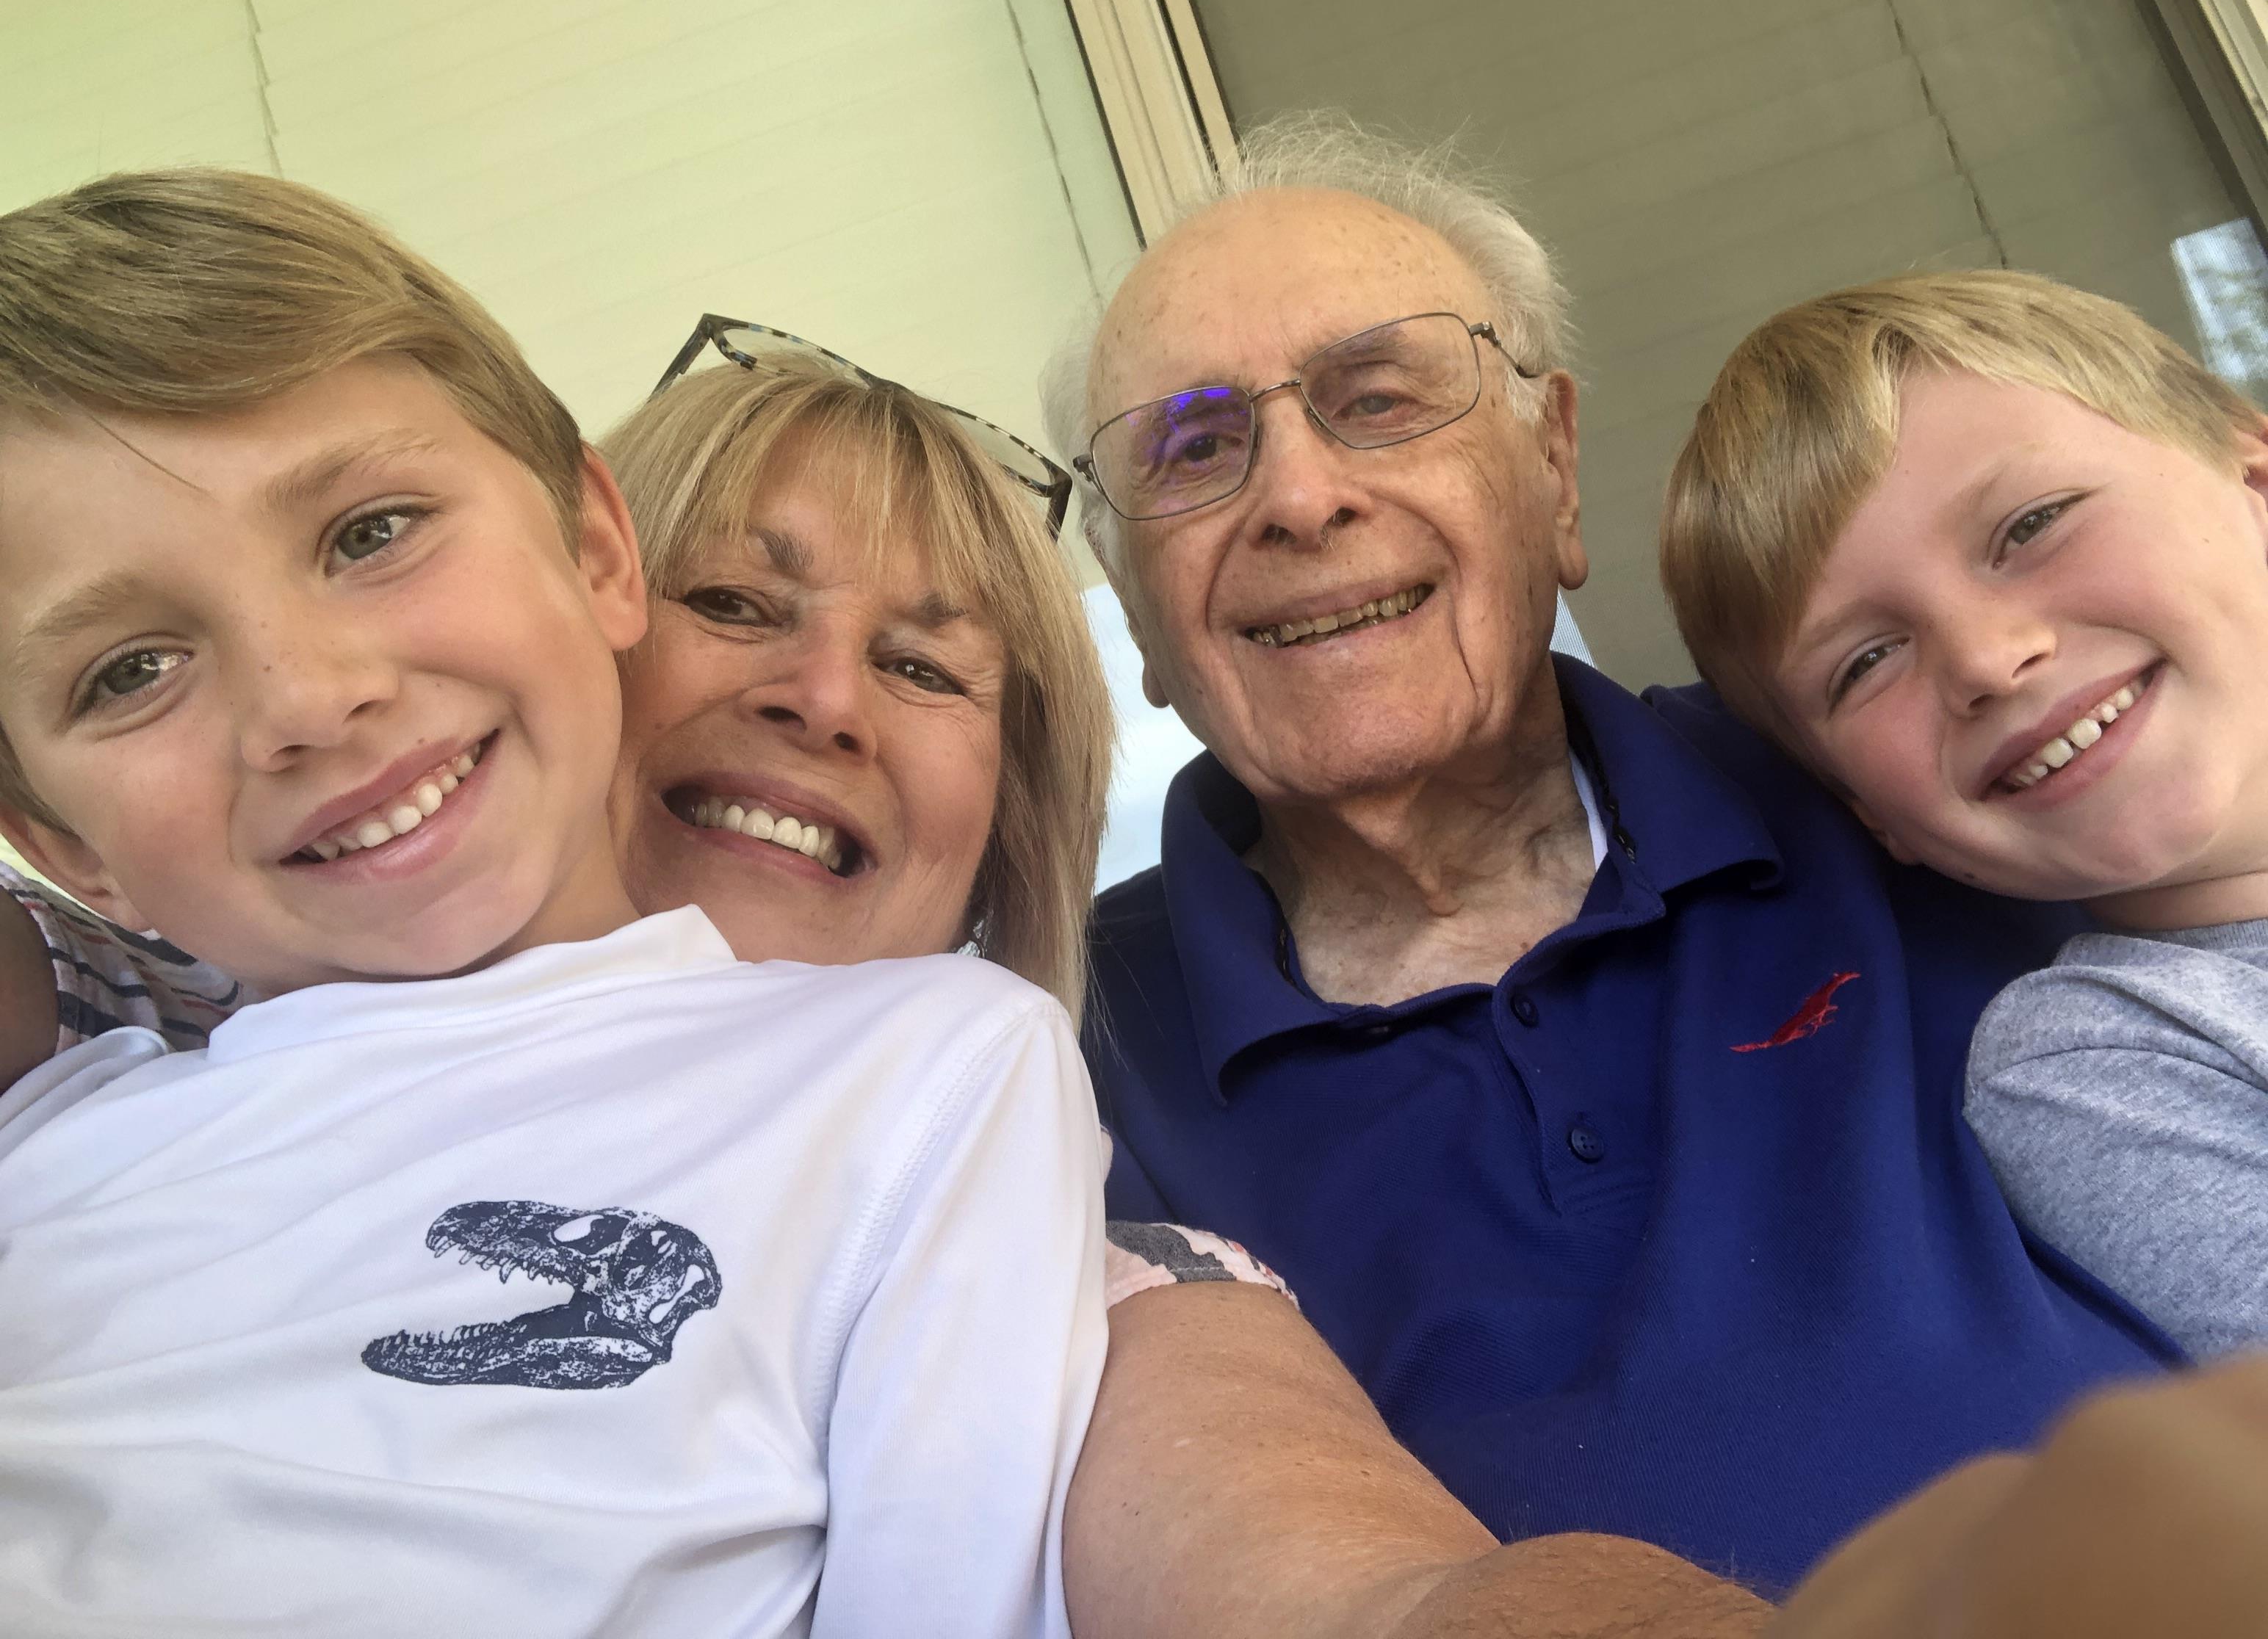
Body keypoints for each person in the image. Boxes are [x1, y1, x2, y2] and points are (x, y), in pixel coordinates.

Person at [0, 169, 1769, 1638]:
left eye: (929, 665)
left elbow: (1341, 1579)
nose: (827, 698)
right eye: (740, 603)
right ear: (602, 584)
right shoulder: (106, 1065)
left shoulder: (994, 1137)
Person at [1042, 115, 2176, 1597]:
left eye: (1376, 396)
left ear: (1554, 470)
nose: (1301, 495)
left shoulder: (1884, 757)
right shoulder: (1054, 1061)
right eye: (1194, 447)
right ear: (1132, 606)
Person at [0, 168, 1110, 1635]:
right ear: (60, 842)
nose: (312, 698)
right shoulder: (56, 1142)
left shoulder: (944, 1071)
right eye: (127, 668)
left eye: (369, 531)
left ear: (588, 550)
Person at [1659, 269, 2268, 1364]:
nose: (1989, 660)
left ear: (2256, 485)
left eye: (2032, 525)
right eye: (1867, 662)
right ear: (1874, 817)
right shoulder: (2100, 1058)